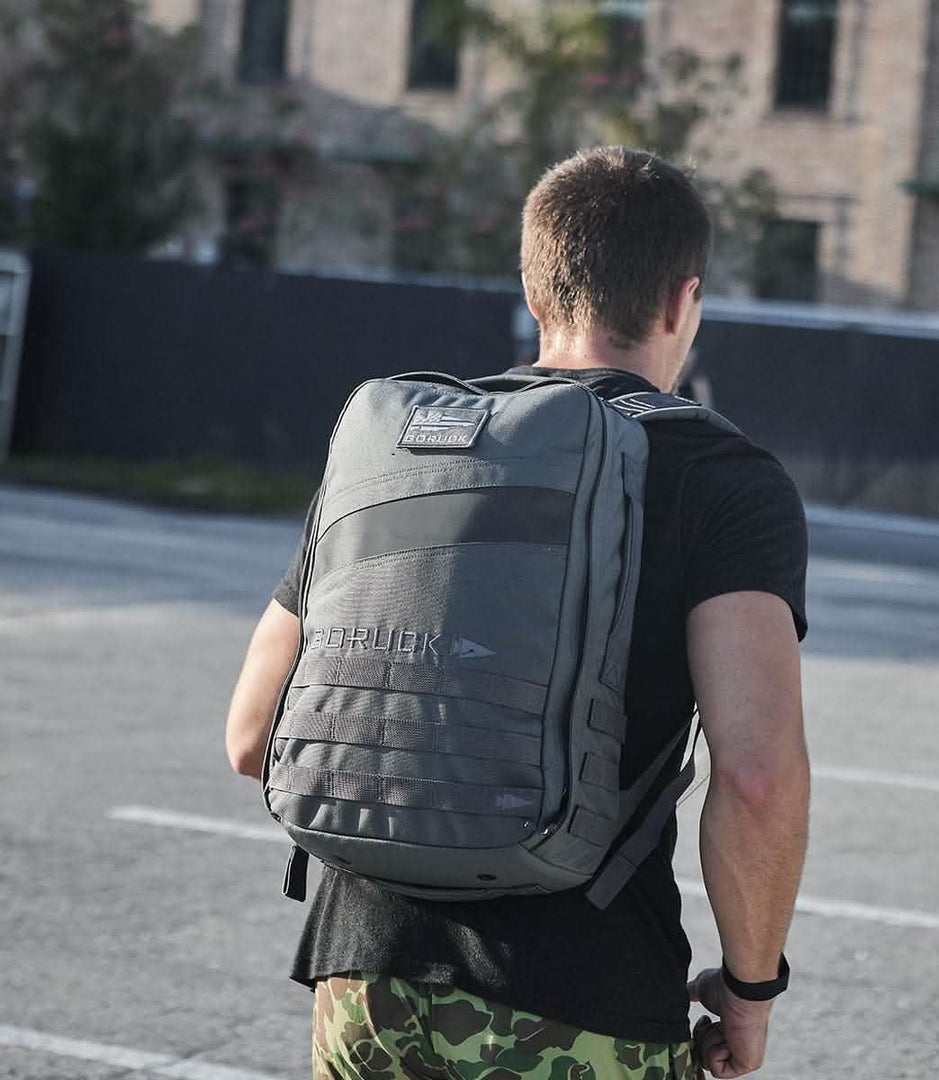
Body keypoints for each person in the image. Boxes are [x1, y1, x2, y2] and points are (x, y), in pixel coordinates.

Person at [226, 146, 810, 1080]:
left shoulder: (403, 449)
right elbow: (756, 776)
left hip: (363, 976)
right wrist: (751, 990)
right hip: (585, 995)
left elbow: (255, 736)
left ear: (536, 296)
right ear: (680, 302)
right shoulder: (721, 479)